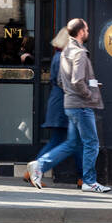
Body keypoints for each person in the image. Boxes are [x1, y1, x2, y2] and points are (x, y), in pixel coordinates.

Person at [27, 18, 111, 193]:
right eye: (86, 29)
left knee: (72, 143)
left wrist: (84, 87)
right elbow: (77, 80)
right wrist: (88, 93)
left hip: (70, 104)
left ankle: (39, 165)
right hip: (81, 104)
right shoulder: (79, 53)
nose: (88, 31)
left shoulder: (65, 51)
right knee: (92, 143)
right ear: (80, 32)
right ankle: (89, 181)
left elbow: (60, 80)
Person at [24, 26, 83, 188]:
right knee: (67, 140)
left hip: (60, 104)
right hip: (63, 105)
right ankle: (35, 170)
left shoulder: (59, 56)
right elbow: (65, 82)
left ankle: (82, 176)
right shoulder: (63, 57)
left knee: (69, 141)